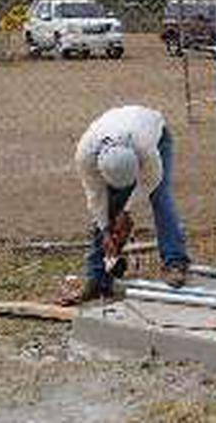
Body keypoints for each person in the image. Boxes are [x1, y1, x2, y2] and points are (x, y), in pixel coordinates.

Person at [70, 105, 190, 303]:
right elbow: (96, 197)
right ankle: (98, 278)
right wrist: (106, 231)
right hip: (117, 129)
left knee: (160, 197)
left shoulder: (146, 148)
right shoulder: (85, 156)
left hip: (155, 131)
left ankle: (175, 261)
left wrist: (126, 213)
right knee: (111, 206)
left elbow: (150, 182)